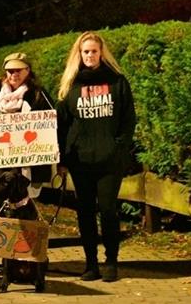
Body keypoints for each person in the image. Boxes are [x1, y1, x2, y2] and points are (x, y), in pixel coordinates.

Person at [56, 32, 136, 283]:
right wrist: (62, 158)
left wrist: (118, 148)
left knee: (109, 210)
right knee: (85, 212)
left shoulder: (117, 82)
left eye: (93, 51)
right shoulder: (71, 85)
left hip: (109, 161)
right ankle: (91, 263)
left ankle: (111, 260)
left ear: (101, 53)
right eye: (85, 52)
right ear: (78, 55)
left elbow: (128, 119)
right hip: (80, 161)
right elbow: (62, 124)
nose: (89, 56)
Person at [0, 52, 55, 202]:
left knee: (25, 208)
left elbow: (51, 127)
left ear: (28, 70)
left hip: (29, 166)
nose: (14, 74)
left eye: (18, 70)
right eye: (10, 71)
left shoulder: (38, 94)